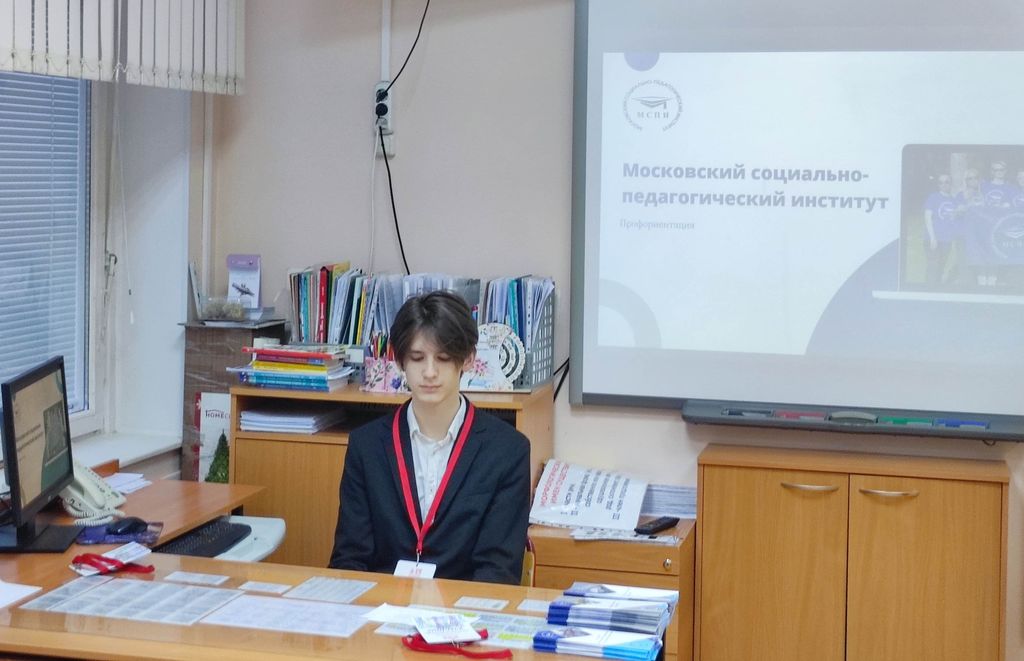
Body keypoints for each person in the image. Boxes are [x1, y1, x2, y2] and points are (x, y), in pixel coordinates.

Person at [329, 290, 530, 584]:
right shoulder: (367, 446)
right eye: (417, 358)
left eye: (444, 358)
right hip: (383, 603)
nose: (430, 372)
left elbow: (498, 571)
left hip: (464, 607)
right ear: (400, 360)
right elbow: (349, 559)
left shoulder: (507, 451)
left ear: (468, 359)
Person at [922, 174, 958, 286]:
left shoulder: (953, 200)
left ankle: (937, 290)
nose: (944, 184)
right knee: (933, 267)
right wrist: (932, 238)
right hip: (933, 239)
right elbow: (927, 217)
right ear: (938, 185)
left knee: (941, 266)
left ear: (951, 184)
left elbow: (954, 220)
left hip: (947, 240)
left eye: (946, 182)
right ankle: (929, 291)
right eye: (941, 182)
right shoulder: (933, 197)